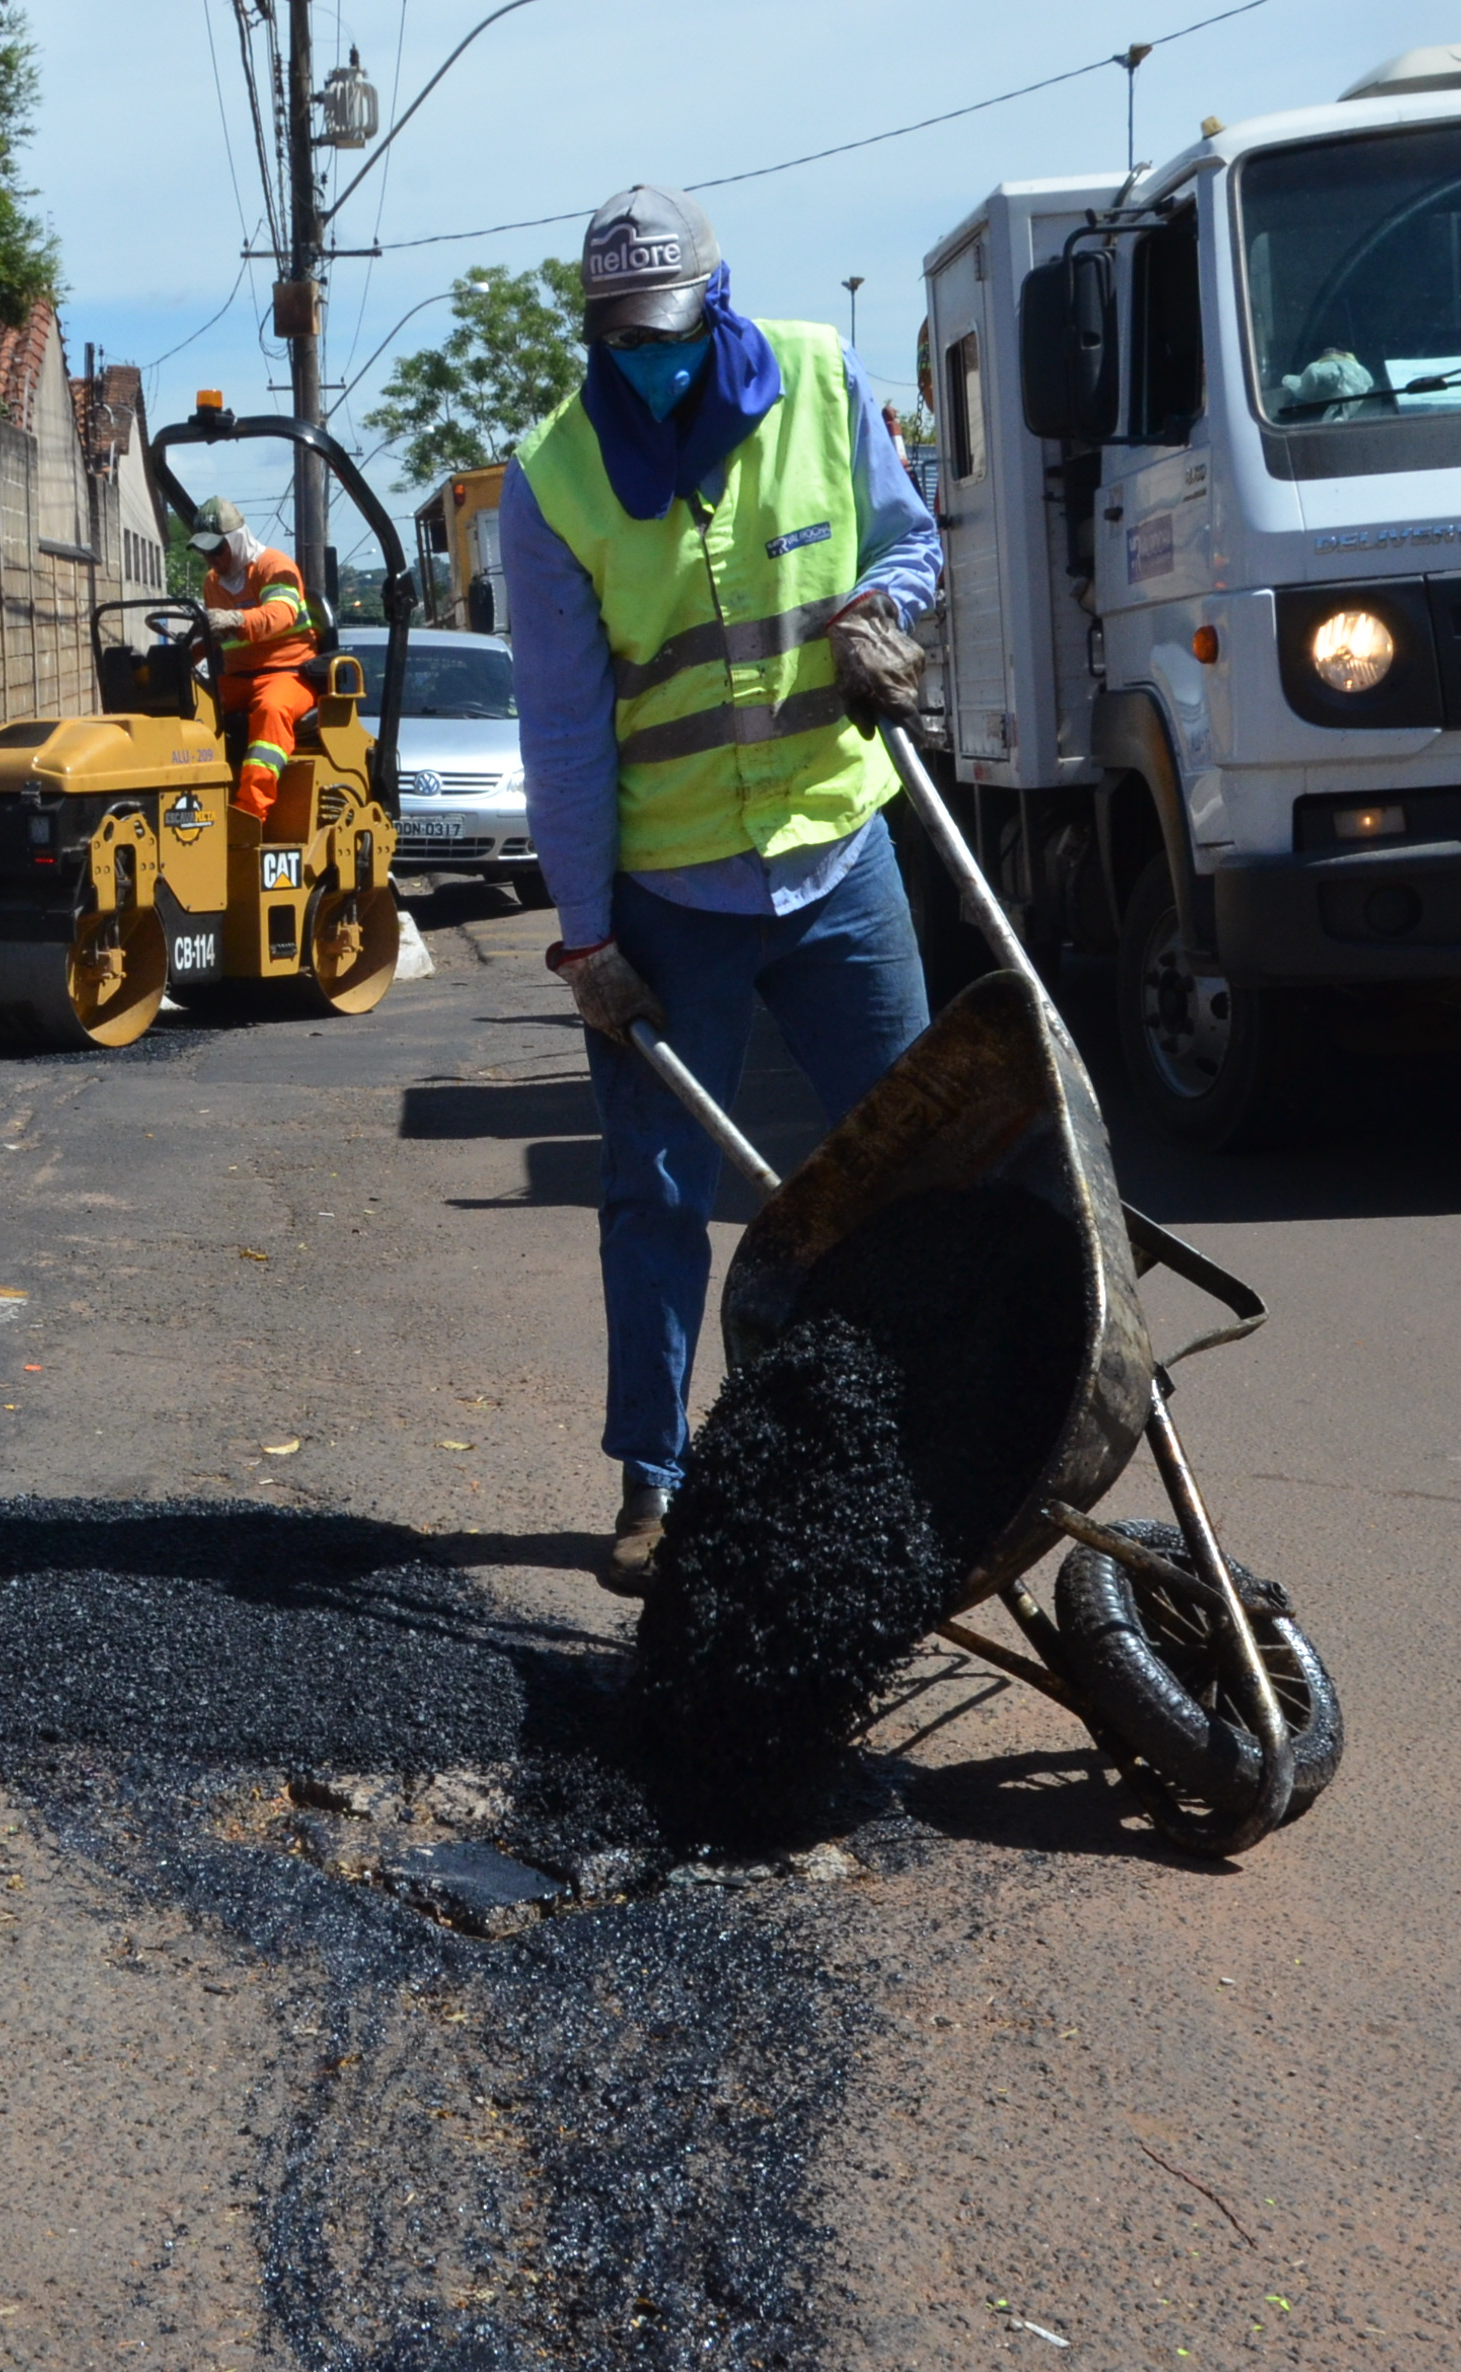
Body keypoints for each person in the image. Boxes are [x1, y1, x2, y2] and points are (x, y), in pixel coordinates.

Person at [503, 185, 945, 1596]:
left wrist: (888, 617)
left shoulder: (823, 376)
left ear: (721, 304)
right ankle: (653, 1478)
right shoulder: (555, 479)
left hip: (838, 851)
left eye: (671, 334)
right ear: (594, 332)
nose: (651, 360)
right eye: (623, 340)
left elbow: (912, 542)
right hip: (670, 893)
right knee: (654, 1189)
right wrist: (587, 943)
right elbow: (564, 736)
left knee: (915, 1162)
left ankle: (933, 1438)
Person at [189, 495, 316, 822]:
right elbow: (210, 634)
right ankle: (193, 801)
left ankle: (249, 812)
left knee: (271, 711)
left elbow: (282, 612)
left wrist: (237, 620)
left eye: (217, 550)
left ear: (237, 539)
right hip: (237, 680)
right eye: (205, 552)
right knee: (193, 709)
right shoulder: (212, 583)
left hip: (288, 675)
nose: (212, 559)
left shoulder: (274, 566)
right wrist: (178, 658)